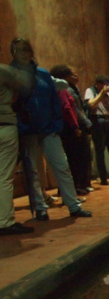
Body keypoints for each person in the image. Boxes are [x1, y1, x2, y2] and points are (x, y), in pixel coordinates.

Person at [10, 38, 91, 220]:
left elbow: (56, 98)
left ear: (31, 52)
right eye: (19, 51)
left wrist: (56, 123)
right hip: (27, 131)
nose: (23, 54)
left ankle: (73, 205)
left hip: (48, 129)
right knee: (33, 172)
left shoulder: (42, 74)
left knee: (62, 167)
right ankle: (40, 207)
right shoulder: (11, 74)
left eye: (26, 50)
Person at [0, 46, 34, 235]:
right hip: (4, 124)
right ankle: (4, 222)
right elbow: (25, 86)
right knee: (3, 177)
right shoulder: (3, 71)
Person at [50, 65, 93, 195]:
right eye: (72, 74)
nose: (75, 76)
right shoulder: (64, 89)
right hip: (70, 127)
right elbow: (69, 109)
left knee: (76, 158)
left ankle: (77, 186)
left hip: (68, 126)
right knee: (75, 158)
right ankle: (73, 188)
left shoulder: (70, 88)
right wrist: (78, 125)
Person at [85, 74, 109, 185]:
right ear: (98, 84)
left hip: (108, 120)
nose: (107, 87)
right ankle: (103, 178)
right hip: (97, 120)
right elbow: (91, 104)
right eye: (105, 85)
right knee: (100, 150)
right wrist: (102, 93)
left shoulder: (108, 94)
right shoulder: (90, 91)